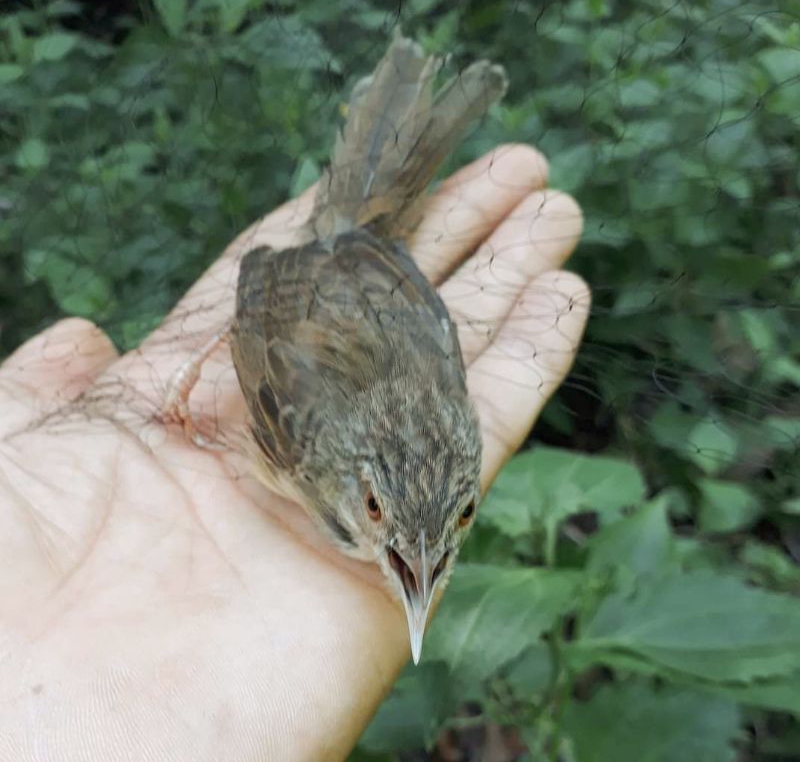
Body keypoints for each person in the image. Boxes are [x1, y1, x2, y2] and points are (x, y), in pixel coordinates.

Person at [0, 145, 588, 760]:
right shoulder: (306, 443)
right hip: (325, 284)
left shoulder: (439, 422)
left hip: (362, 279)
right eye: (376, 508)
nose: (419, 557)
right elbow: (250, 320)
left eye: (463, 516)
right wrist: (183, 395)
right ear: (358, 486)